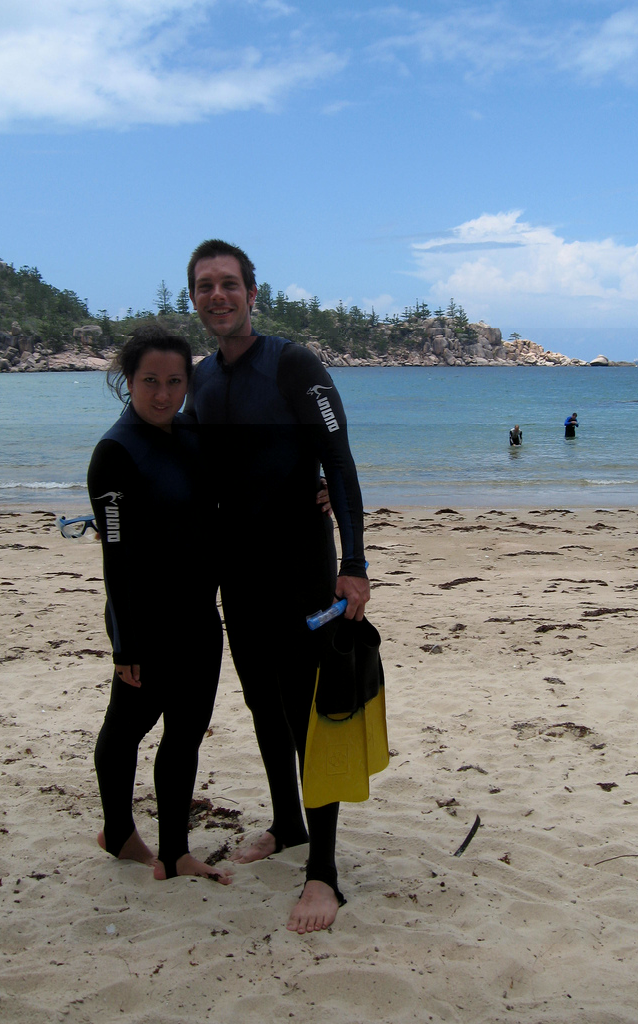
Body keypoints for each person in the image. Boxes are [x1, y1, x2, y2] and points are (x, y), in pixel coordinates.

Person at [184, 239, 370, 934]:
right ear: (194, 298)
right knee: (264, 704)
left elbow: (339, 462)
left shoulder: (293, 364)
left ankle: (323, 872)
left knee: (309, 715)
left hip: (300, 571)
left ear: (252, 294)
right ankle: (288, 824)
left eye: (229, 283)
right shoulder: (200, 379)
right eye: (205, 285)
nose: (218, 295)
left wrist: (355, 563)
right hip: (237, 574)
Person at [88, 327, 230, 884]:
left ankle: (174, 853)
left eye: (175, 381)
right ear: (128, 381)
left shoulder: (192, 431)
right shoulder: (115, 453)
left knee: (186, 734)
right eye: (150, 380)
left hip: (199, 616)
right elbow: (116, 558)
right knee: (126, 729)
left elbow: (246, 479)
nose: (163, 393)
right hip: (144, 623)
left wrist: (315, 485)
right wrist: (125, 645)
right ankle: (119, 832)